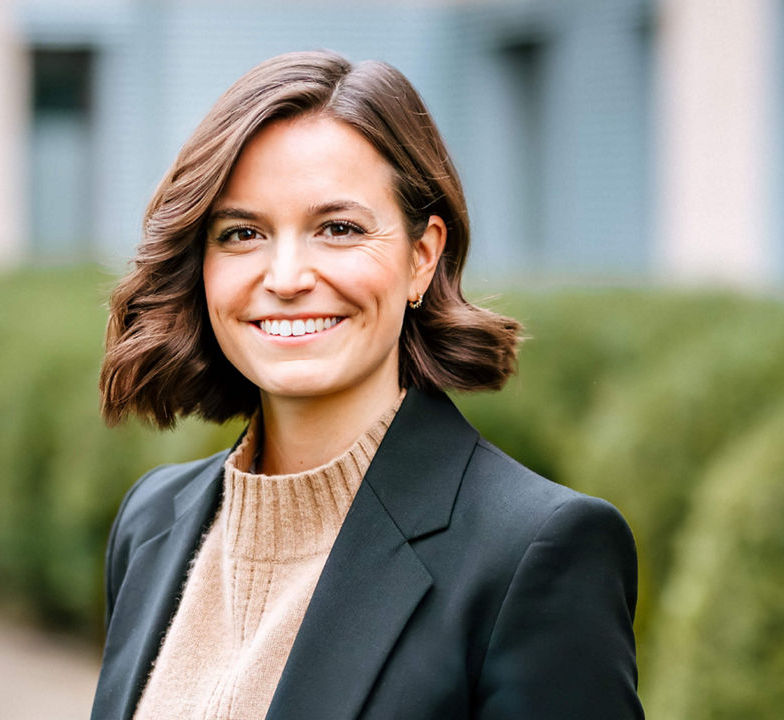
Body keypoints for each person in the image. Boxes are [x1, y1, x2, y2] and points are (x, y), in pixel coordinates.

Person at [89, 50, 642, 720]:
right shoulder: (153, 523)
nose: (287, 276)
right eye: (242, 233)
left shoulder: (535, 552)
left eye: (339, 228)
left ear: (422, 256)